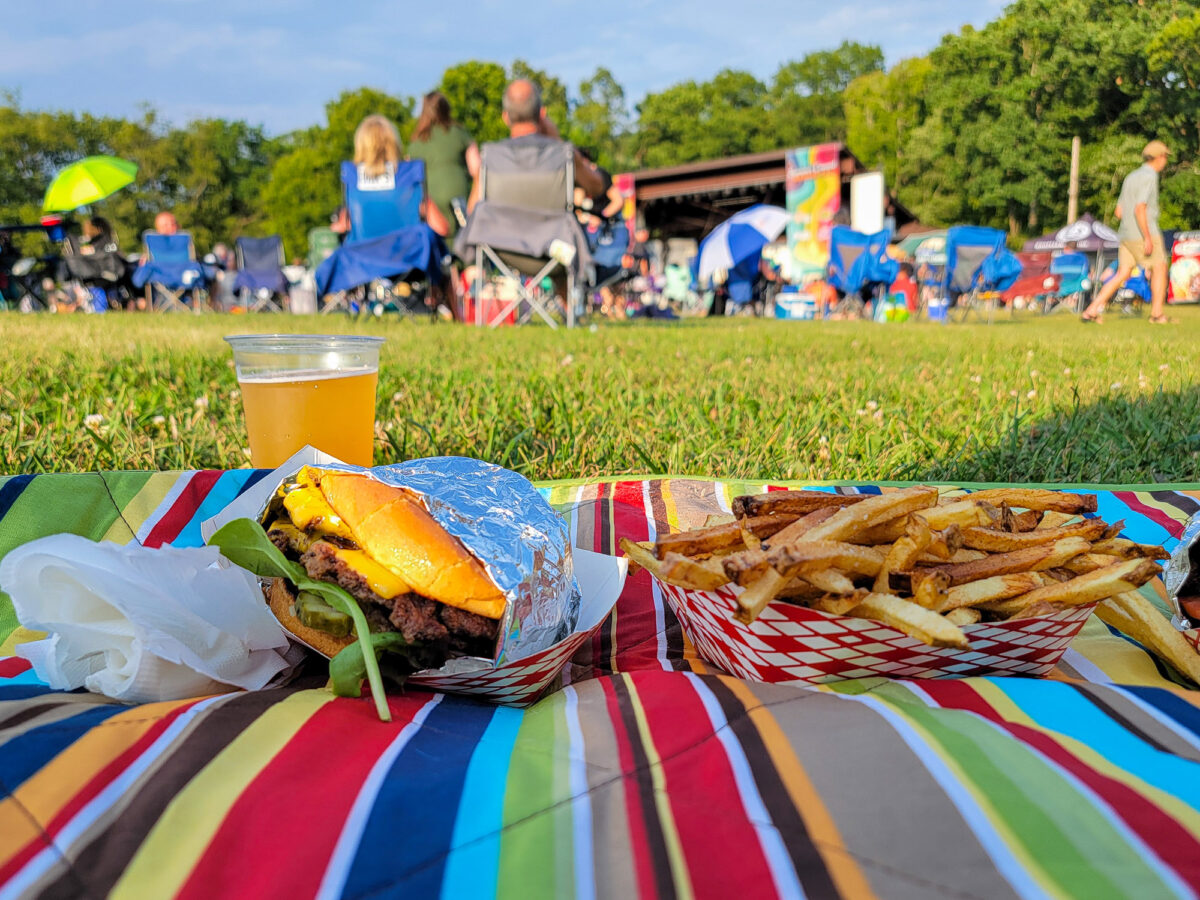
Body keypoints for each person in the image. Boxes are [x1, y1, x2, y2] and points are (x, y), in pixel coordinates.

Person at [466, 79, 604, 212]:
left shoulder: (490, 158)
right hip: (554, 236)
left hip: (501, 236)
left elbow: (472, 212)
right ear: (541, 114)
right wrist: (558, 141)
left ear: (505, 117)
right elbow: (597, 187)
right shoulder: (564, 155)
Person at [1081, 140, 1172, 324]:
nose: (1166, 161)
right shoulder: (1150, 176)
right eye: (1165, 157)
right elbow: (1140, 208)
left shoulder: (1131, 176)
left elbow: (1119, 211)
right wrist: (1146, 237)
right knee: (1160, 267)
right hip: (1144, 232)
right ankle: (1156, 314)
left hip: (1125, 233)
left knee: (1123, 272)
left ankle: (1091, 310)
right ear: (1159, 157)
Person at [352, 114, 450, 236]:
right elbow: (442, 228)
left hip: (364, 254)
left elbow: (342, 228)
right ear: (394, 144)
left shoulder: (352, 181)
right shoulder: (408, 179)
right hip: (408, 254)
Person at [406, 92, 479, 238]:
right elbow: (477, 168)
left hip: (430, 205)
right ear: (447, 108)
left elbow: (408, 178)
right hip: (459, 201)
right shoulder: (460, 133)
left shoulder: (415, 142)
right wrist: (474, 203)